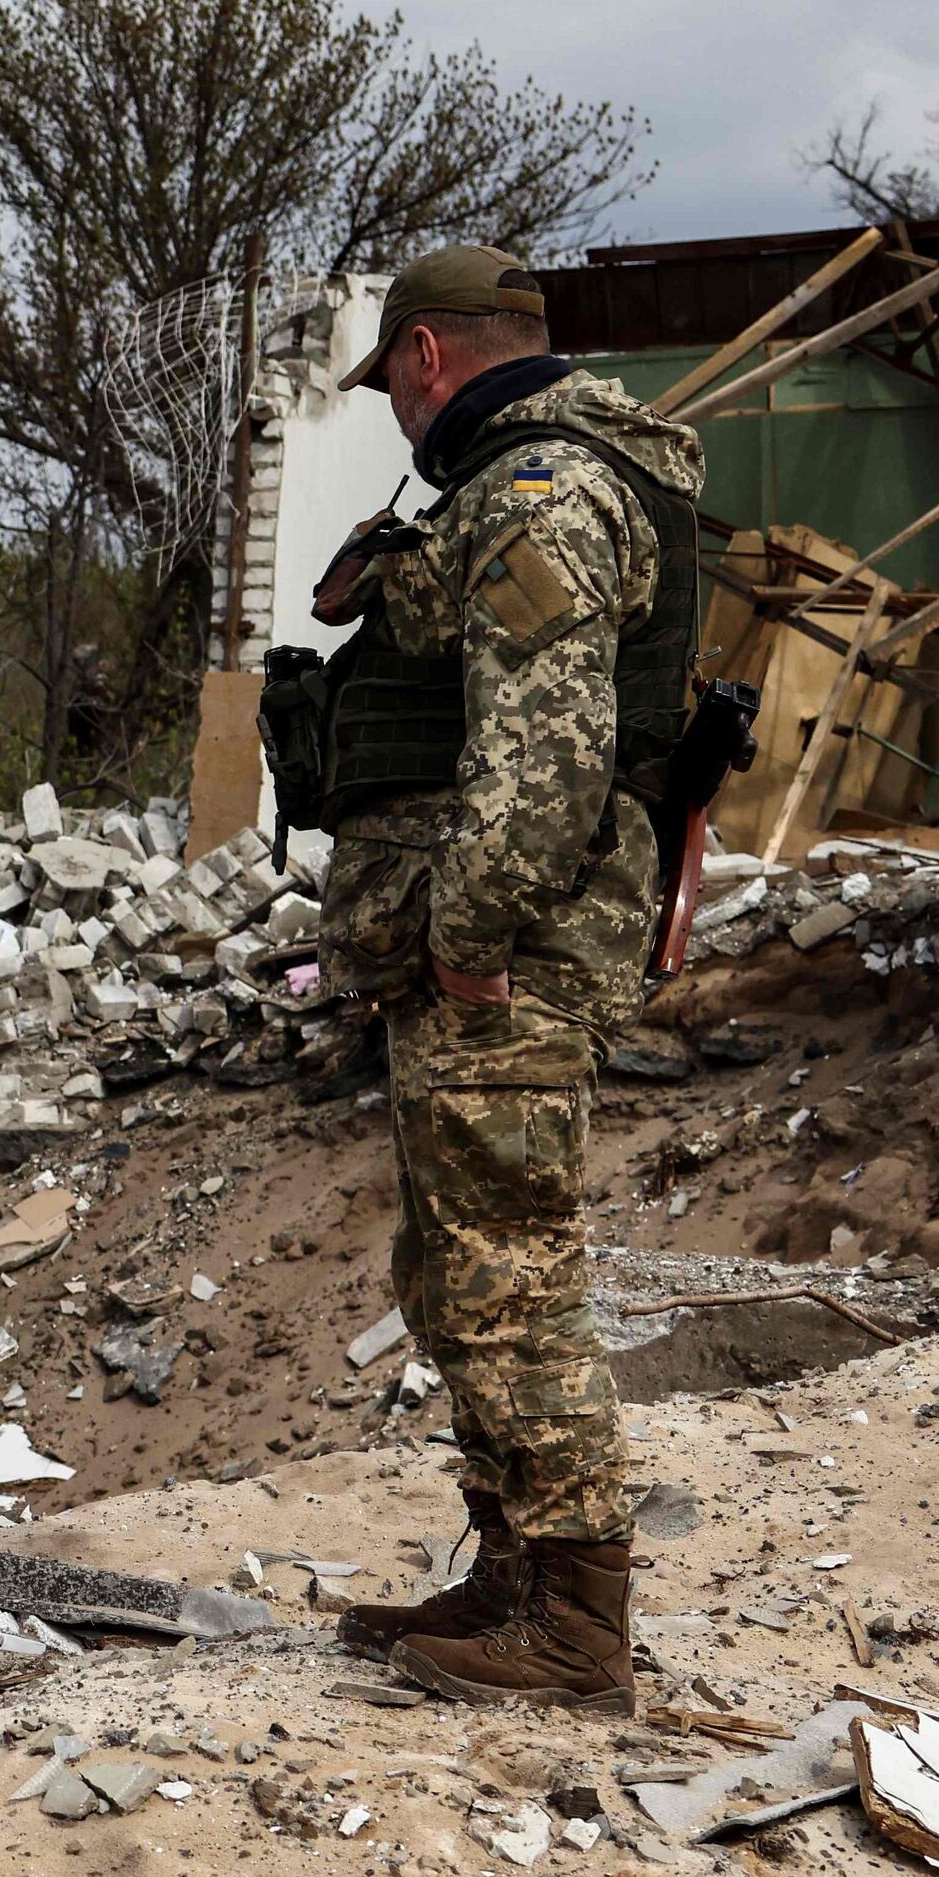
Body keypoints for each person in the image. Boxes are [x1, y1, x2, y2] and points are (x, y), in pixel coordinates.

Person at [297, 246, 705, 1713]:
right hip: (487, 949)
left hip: (505, 960)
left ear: (422, 357)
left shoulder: (538, 492)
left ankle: (579, 1631)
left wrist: (465, 937)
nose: (396, 419)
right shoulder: (541, 479)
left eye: (390, 387)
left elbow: (547, 759)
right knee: (455, 1269)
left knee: (510, 1275)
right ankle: (517, 1576)